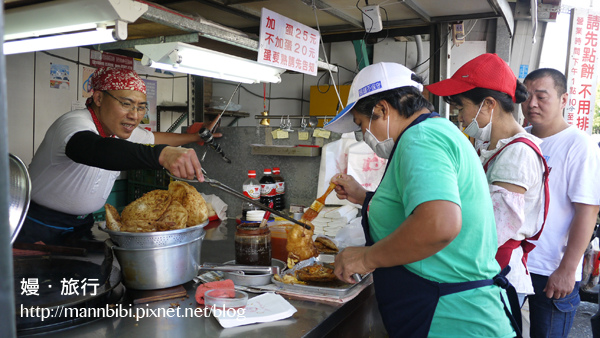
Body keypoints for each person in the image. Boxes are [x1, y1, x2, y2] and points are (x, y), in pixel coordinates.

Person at [324, 62, 516, 337]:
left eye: (361, 125)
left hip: (452, 318)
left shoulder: (421, 138)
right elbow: (414, 210)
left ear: (381, 109)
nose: (364, 136)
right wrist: (365, 198)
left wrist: (366, 258)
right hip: (450, 311)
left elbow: (438, 225)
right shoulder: (437, 132)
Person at [15, 67, 213, 246]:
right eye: (126, 104)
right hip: (38, 224)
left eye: (140, 107)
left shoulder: (118, 129)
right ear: (99, 98)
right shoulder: (74, 123)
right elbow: (94, 149)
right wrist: (161, 154)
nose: (135, 115)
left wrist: (195, 137)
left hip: (81, 225)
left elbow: (154, 138)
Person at [426, 53, 548, 307]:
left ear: (489, 104)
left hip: (497, 275)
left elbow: (491, 229)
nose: (459, 116)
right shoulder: (495, 148)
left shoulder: (517, 154)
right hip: (483, 268)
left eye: (461, 107)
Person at [521, 68, 600, 337]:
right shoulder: (521, 138)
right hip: (515, 262)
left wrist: (567, 268)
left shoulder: (579, 145)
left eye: (541, 96)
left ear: (564, 99)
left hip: (551, 268)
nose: (531, 103)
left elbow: (588, 211)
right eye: (526, 95)